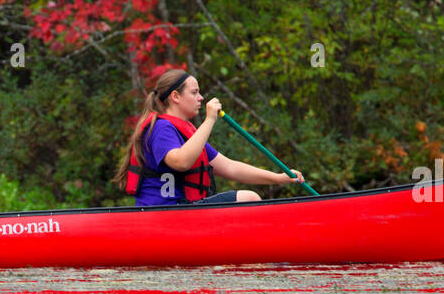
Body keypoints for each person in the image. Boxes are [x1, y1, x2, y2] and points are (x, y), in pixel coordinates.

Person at [116, 68, 304, 206]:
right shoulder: (161, 128)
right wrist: (210, 120)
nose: (201, 98)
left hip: (184, 211)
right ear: (175, 96)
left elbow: (231, 167)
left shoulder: (186, 133)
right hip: (164, 215)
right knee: (250, 198)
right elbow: (180, 162)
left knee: (248, 198)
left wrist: (279, 178)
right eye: (194, 92)